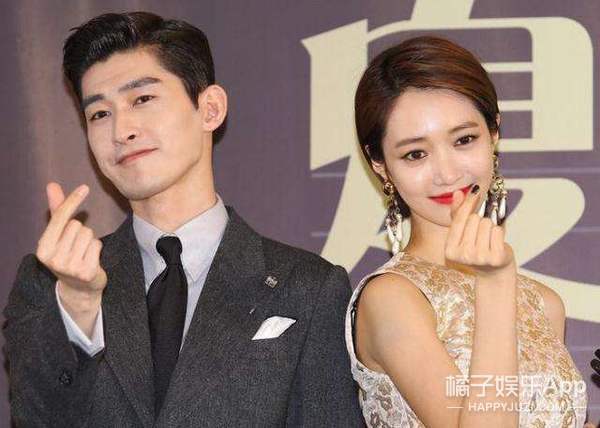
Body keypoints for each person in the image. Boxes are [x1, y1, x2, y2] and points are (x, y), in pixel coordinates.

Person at [3, 11, 363, 427]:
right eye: (99, 113)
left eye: (142, 99)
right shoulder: (50, 284)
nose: (121, 131)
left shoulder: (308, 288)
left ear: (210, 109)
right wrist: (80, 307)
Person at [345, 36, 587, 427]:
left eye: (464, 140)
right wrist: (494, 285)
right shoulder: (391, 299)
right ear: (380, 163)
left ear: (494, 134)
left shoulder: (544, 304)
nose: (447, 173)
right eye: (415, 154)